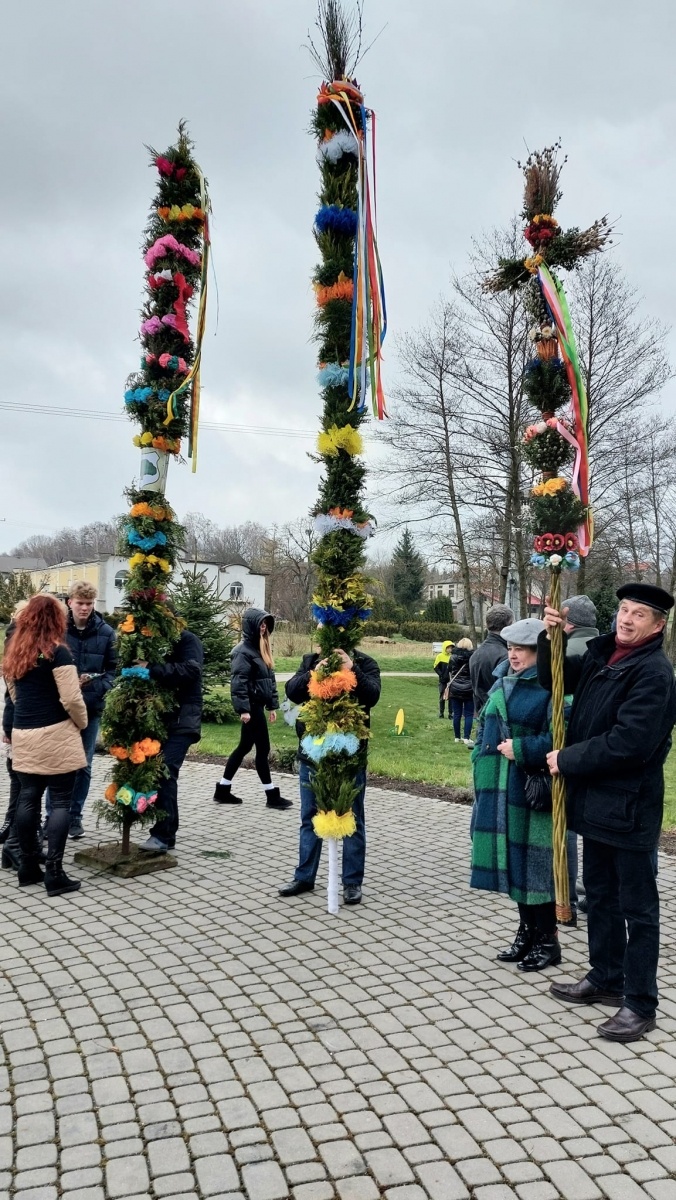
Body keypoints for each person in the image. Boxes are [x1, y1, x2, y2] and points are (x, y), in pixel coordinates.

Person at [540, 582, 676, 1042]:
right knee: (599, 895)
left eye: (639, 614)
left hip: (629, 807)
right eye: (623, 609)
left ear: (657, 625)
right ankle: (605, 976)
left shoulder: (653, 673)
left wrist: (568, 758)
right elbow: (553, 678)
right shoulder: (604, 655)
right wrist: (550, 637)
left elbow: (629, 743)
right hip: (595, 804)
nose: (626, 619)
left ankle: (640, 1003)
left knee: (638, 908)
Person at [470, 617, 561, 972]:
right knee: (512, 863)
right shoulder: (501, 680)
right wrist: (479, 757)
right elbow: (484, 726)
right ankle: (526, 931)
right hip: (497, 786)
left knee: (535, 868)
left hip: (531, 790)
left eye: (521, 649)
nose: (513, 654)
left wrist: (521, 749)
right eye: (510, 647)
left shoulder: (552, 688)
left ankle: (547, 940)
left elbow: (561, 738)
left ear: (540, 652)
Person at [278, 644, 381, 905]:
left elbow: (372, 696)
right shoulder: (310, 660)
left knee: (353, 818)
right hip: (312, 755)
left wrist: (352, 670)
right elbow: (292, 691)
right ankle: (304, 876)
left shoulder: (365, 663)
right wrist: (314, 672)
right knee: (309, 817)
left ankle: (352, 882)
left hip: (350, 758)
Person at [2, 594, 87, 896]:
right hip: (56, 733)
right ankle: (55, 872)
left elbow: (13, 694)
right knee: (61, 800)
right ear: (56, 620)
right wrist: (82, 722)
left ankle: (27, 866)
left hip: (24, 732)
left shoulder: (16, 651)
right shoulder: (57, 652)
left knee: (28, 797)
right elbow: (71, 698)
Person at [48, 582, 117, 839]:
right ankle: (51, 817)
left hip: (90, 706)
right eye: (80, 603)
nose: (85, 608)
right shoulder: (58, 630)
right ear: (70, 602)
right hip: (60, 708)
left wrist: (97, 687)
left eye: (89, 604)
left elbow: (113, 670)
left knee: (83, 765)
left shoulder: (106, 632)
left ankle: (74, 817)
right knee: (57, 763)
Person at [213, 609, 290, 810]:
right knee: (263, 750)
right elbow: (239, 682)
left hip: (257, 706)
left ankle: (223, 789)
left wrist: (272, 706)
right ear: (251, 625)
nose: (263, 627)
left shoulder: (261, 649)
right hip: (251, 708)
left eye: (265, 624)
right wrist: (243, 710)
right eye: (260, 624)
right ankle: (271, 795)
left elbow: (269, 680)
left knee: (244, 747)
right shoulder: (242, 652)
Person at [140, 622, 204, 853]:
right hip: (160, 720)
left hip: (183, 719)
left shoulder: (187, 640)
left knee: (164, 770)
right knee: (161, 773)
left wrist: (151, 668)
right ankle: (168, 833)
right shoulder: (153, 644)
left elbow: (191, 670)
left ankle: (162, 835)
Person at [562, 595, 599, 927]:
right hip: (598, 752)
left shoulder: (570, 653)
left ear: (567, 622)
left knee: (569, 826)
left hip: (570, 749)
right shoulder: (603, 648)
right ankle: (594, 891)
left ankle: (567, 899)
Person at [1, 600, 30, 871]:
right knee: (22, 785)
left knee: (19, 785)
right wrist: (8, 728)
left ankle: (11, 833)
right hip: (23, 725)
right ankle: (13, 839)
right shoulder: (19, 646)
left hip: (18, 724)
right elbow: (13, 697)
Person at [469, 604, 515, 715]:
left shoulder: (475, 654)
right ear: (509, 624)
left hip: (483, 713)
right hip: (499, 716)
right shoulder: (507, 656)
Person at [447, 637, 475, 744]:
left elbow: (449, 670)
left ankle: (457, 737)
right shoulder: (473, 658)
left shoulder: (453, 657)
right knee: (469, 714)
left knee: (457, 714)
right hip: (469, 688)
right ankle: (467, 737)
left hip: (455, 688)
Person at [433, 640, 454, 718]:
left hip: (451, 681)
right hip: (442, 681)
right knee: (442, 696)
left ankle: (450, 714)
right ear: (445, 648)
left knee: (451, 697)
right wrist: (441, 675)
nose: (450, 649)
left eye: (451, 648)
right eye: (448, 648)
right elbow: (435, 667)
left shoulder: (452, 657)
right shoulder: (440, 656)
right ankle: (441, 713)